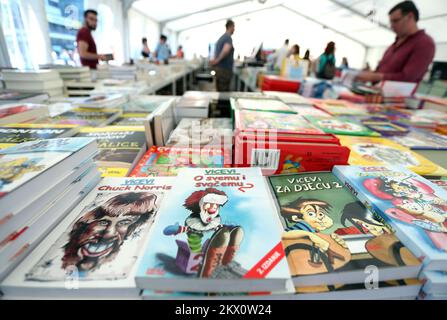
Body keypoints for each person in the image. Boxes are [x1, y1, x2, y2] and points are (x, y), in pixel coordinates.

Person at [356, 1, 435, 83]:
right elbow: (381, 70)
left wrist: (375, 77)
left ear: (410, 17)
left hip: (395, 95)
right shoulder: (394, 44)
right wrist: (367, 75)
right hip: (375, 93)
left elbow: (408, 78)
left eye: (395, 21)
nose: (392, 25)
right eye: (391, 22)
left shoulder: (424, 43)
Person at [210, 20, 235, 92]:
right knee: (224, 92)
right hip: (224, 70)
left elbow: (216, 52)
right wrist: (217, 60)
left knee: (219, 90)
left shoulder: (221, 38)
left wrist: (215, 60)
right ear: (230, 27)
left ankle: (219, 103)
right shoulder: (228, 38)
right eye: (234, 27)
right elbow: (226, 50)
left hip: (219, 69)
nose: (234, 29)